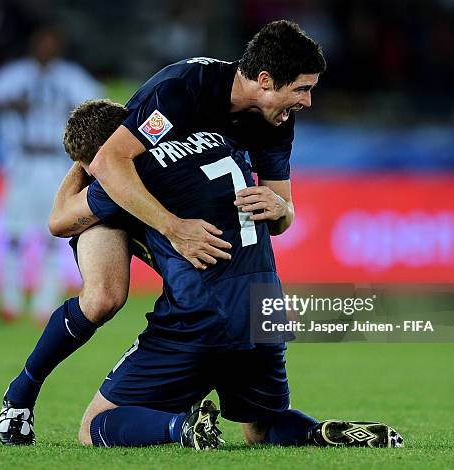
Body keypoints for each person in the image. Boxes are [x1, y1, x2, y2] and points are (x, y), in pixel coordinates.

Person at [0, 20, 325, 444]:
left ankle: (167, 421)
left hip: (197, 288)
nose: (308, 101)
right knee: (105, 297)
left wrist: (283, 209)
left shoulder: (276, 116)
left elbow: (59, 220)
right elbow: (111, 161)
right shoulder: (184, 88)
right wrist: (171, 225)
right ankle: (23, 394)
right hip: (252, 296)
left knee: (102, 306)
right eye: (302, 89)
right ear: (265, 80)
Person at [52, 100, 404, 450]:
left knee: (96, 425)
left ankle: (182, 426)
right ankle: (317, 432)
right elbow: (281, 217)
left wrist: (91, 163)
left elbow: (60, 221)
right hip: (264, 308)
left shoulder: (139, 171)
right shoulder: (220, 139)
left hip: (201, 317)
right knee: (262, 428)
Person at [0, 23, 105, 323]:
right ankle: (10, 302)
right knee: (13, 235)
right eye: (41, 43)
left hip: (57, 163)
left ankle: (45, 305)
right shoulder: (18, 75)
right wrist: (8, 102)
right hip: (22, 161)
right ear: (34, 46)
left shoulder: (70, 77)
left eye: (51, 43)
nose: (46, 48)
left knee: (54, 235)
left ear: (58, 47)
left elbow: (100, 103)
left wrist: (73, 112)